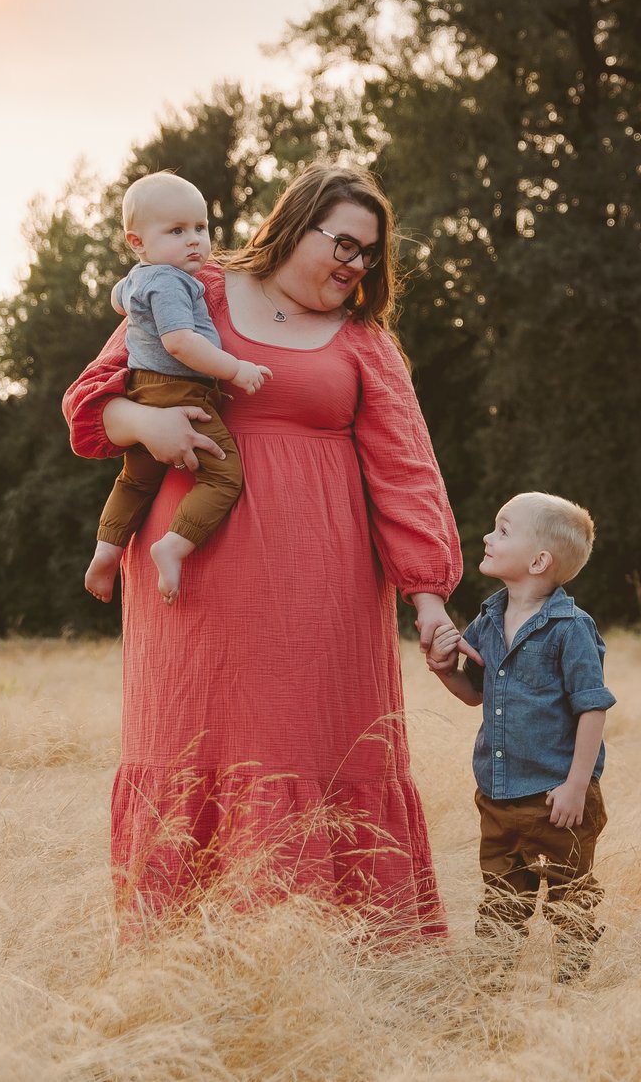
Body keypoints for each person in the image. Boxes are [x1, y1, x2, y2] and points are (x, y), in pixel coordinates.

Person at [61, 164, 464, 932]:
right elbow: (89, 403)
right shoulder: (191, 284)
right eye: (343, 242)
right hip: (196, 587)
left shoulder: (365, 343)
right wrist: (143, 425)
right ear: (294, 224)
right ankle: (185, 963)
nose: (356, 263)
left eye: (370, 253)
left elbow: (406, 474)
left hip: (325, 598)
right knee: (196, 749)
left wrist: (431, 604)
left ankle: (334, 965)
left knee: (317, 752)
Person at [425, 491, 615, 982]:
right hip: (499, 796)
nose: (488, 537)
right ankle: (490, 998)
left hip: (557, 797)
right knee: (502, 905)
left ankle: (570, 992)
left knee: (569, 902)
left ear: (539, 561)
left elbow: (592, 708)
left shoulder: (569, 628)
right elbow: (475, 695)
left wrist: (576, 785)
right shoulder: (488, 621)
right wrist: (445, 670)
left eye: (503, 530)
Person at [84, 172, 272, 605]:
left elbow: (118, 299)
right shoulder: (170, 281)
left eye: (200, 228)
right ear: (137, 242)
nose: (194, 242)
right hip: (179, 392)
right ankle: (173, 545)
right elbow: (180, 341)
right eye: (176, 231)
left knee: (136, 481)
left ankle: (106, 551)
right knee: (224, 477)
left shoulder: (139, 276)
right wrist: (234, 369)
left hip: (143, 390)